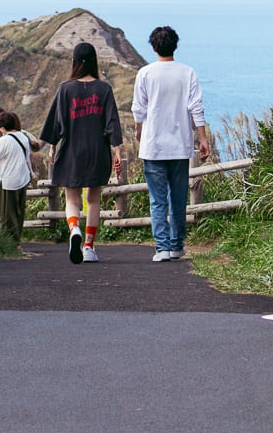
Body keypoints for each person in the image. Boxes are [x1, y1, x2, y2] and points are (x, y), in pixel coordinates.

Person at [132, 25, 211, 263]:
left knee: (157, 199)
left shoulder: (145, 73)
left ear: (154, 46)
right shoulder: (187, 73)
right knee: (178, 199)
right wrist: (203, 137)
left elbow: (139, 109)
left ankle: (162, 248)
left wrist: (139, 131)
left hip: (153, 145)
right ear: (175, 45)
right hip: (179, 146)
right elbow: (196, 107)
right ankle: (177, 246)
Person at [41, 42, 122, 264]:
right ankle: (88, 246)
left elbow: (55, 123)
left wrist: (52, 147)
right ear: (95, 61)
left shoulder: (65, 88)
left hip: (71, 149)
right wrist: (117, 150)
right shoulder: (104, 89)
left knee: (72, 198)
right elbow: (112, 122)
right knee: (94, 199)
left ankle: (74, 227)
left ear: (75, 62)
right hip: (97, 149)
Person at [0, 111, 32, 242]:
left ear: (2, 127)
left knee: (5, 214)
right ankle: (17, 241)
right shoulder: (23, 137)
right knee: (18, 212)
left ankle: (10, 243)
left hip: (8, 182)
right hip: (23, 179)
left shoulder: (4, 140)